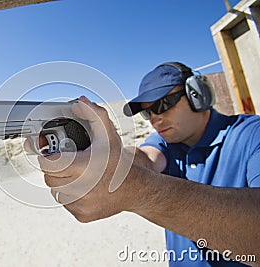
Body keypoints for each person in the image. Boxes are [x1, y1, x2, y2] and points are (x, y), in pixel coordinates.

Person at [32, 62, 260, 266]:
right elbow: (145, 158)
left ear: (196, 94)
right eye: (147, 112)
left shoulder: (253, 135)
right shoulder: (167, 141)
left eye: (163, 104)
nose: (155, 118)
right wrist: (105, 160)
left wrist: (138, 190)